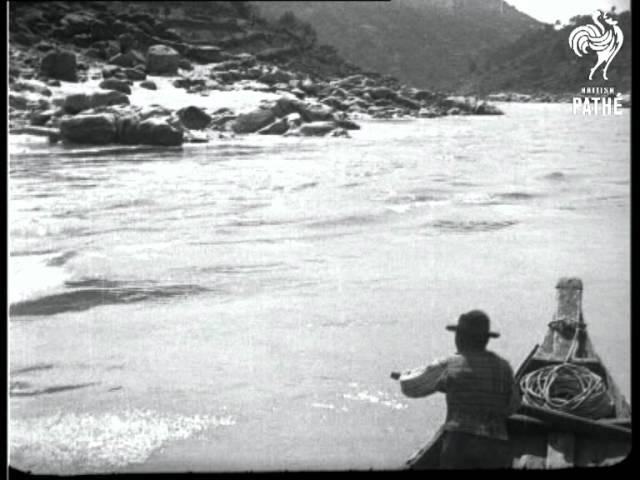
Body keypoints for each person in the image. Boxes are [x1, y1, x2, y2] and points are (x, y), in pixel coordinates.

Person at [397, 310, 521, 469]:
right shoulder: (504, 367)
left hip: (460, 443)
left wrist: (406, 375)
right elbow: (513, 406)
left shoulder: (451, 364)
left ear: (460, 338)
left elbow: (412, 387)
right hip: (495, 446)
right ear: (485, 340)